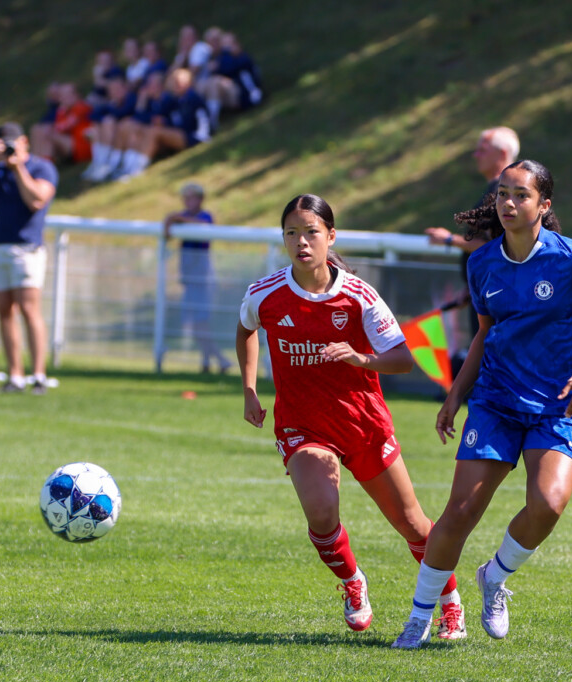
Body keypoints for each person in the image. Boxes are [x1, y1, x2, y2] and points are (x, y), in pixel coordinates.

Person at [391, 160, 572, 649]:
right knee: (459, 513)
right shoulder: (482, 262)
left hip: (557, 405)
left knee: (548, 504)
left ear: (544, 205)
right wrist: (454, 396)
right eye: (502, 194)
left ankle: (494, 577)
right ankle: (418, 619)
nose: (507, 203)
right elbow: (483, 333)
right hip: (496, 401)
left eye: (520, 195)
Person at [236, 194, 467, 639]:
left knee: (412, 523)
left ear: (330, 237)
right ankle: (352, 582)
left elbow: (402, 358)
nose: (301, 242)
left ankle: (450, 601)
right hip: (302, 426)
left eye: (311, 233)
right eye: (291, 233)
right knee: (321, 513)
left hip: (362, 423)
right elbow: (246, 328)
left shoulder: (358, 296)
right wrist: (249, 389)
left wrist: (359, 358)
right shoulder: (264, 294)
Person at [0, 122, 59, 395]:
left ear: (24, 142)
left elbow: (37, 200)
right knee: (5, 313)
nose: (8, 148)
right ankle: (15, 374)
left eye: (12, 142)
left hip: (27, 248)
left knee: (30, 310)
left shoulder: (41, 168)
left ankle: (39, 374)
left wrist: (18, 167)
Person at [424, 126, 520, 348]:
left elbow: (495, 246)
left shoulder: (501, 193)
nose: (476, 155)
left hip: (497, 294)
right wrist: (470, 288)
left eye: (483, 150)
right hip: (486, 291)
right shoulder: (497, 190)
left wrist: (449, 240)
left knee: (489, 361)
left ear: (503, 154)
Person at [164, 183, 231, 374]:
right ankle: (208, 361)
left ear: (200, 199)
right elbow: (168, 228)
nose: (187, 202)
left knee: (200, 323)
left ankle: (219, 360)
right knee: (196, 323)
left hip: (202, 279)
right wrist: (170, 219)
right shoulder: (183, 219)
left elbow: (205, 227)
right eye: (185, 198)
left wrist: (177, 218)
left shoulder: (203, 217)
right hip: (190, 280)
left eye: (191, 198)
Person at [29, 82, 92, 163]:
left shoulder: (81, 106)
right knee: (38, 129)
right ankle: (37, 163)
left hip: (82, 147)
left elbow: (66, 126)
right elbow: (60, 125)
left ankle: (44, 166)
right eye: (62, 96)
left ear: (77, 95)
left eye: (67, 96)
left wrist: (53, 128)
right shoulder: (64, 111)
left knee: (47, 133)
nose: (64, 99)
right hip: (71, 146)